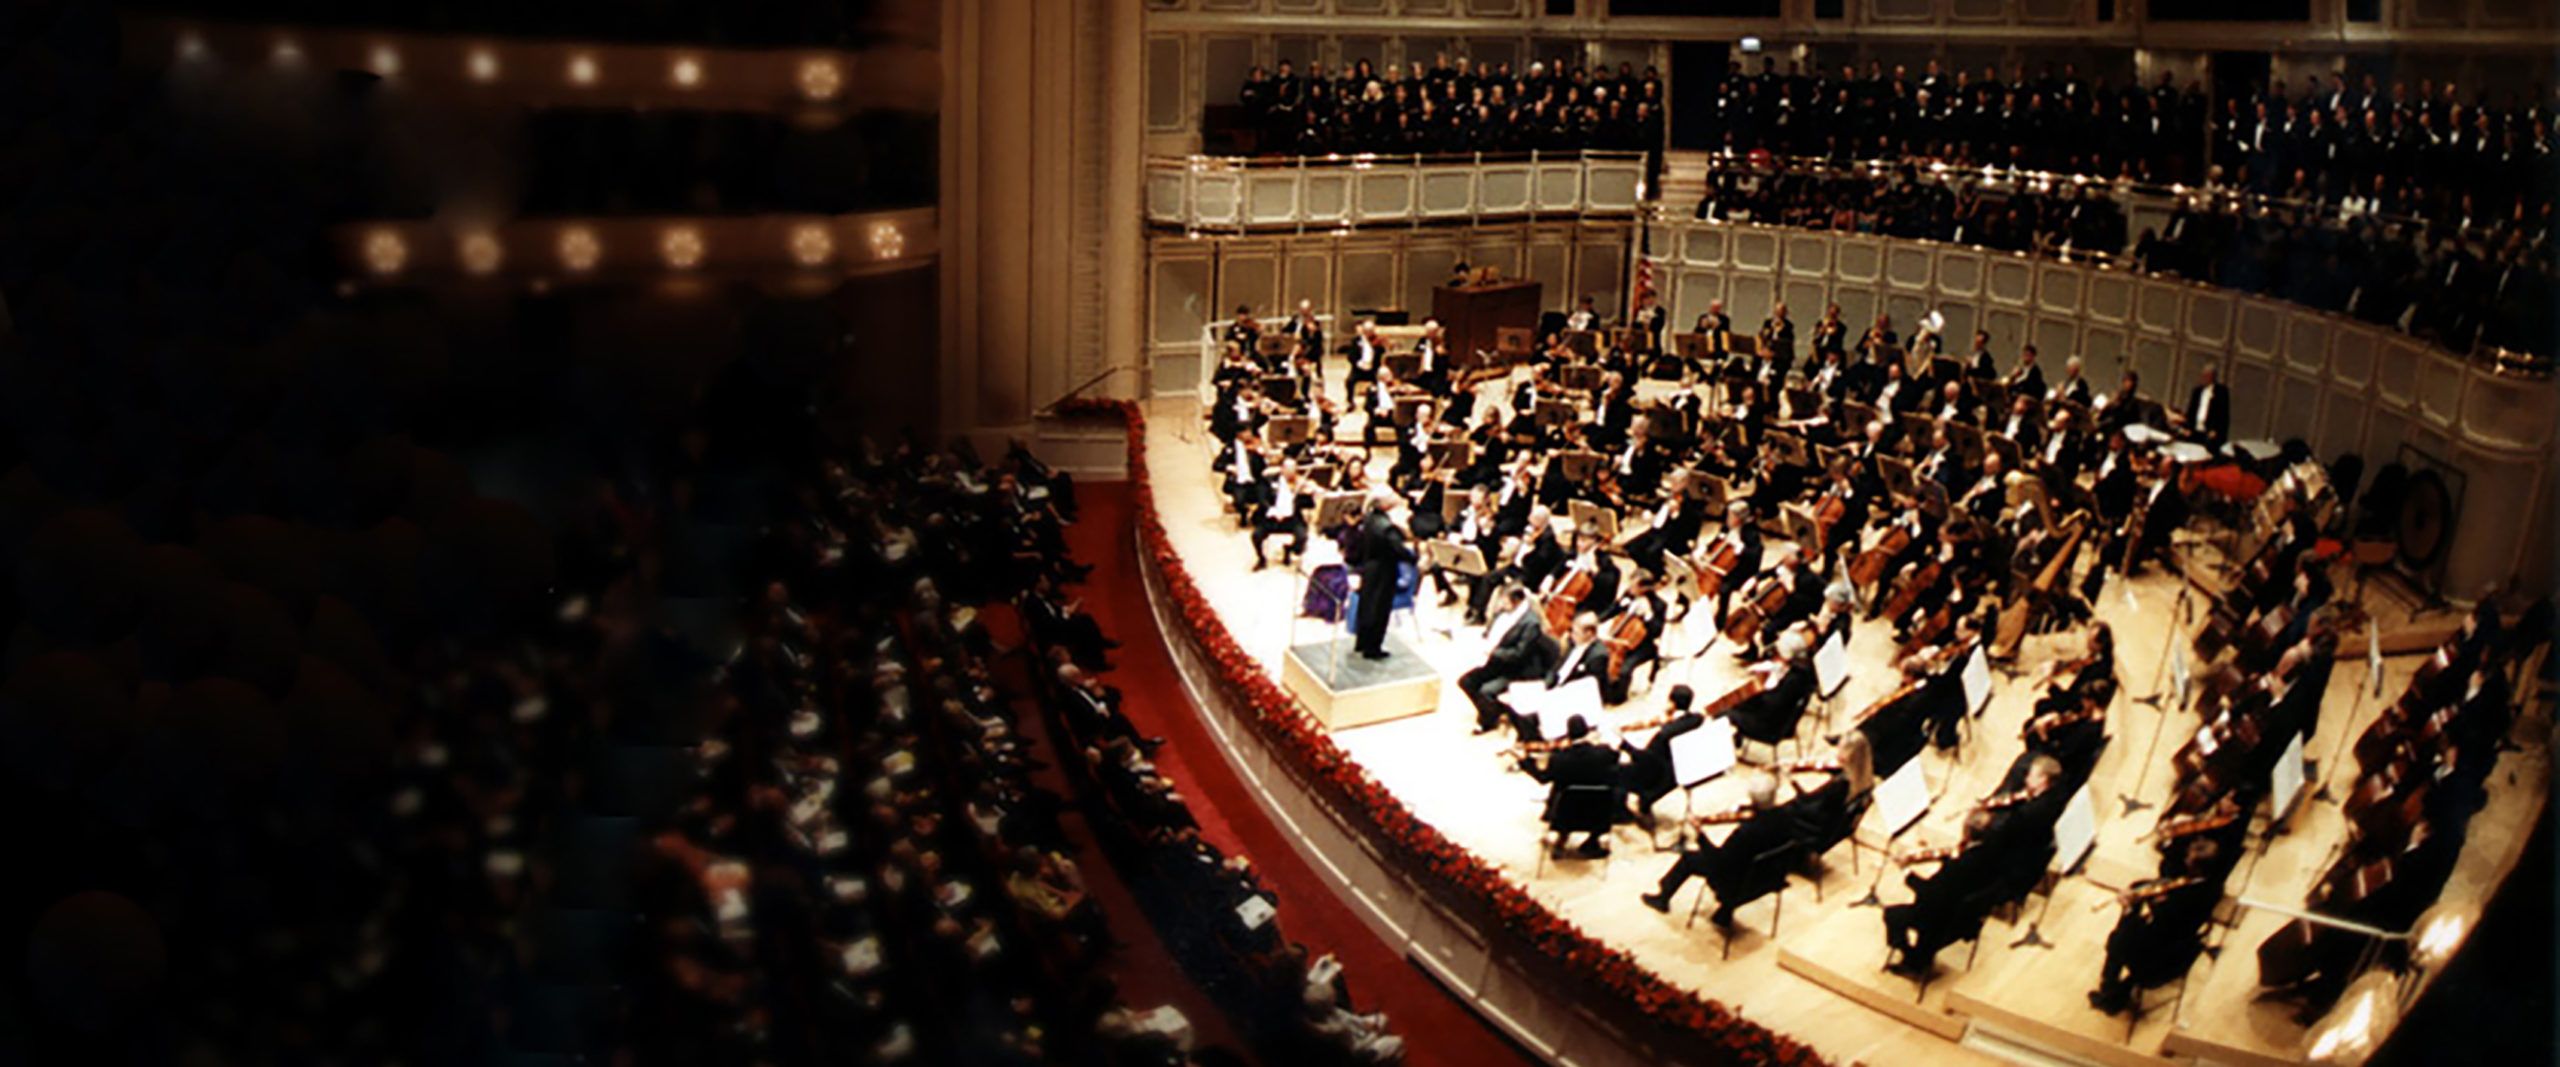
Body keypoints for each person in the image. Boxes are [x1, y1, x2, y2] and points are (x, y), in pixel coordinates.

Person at [2088, 837, 2224, 1014]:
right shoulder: (2214, 884)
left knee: (2117, 942)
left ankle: (2110, 993)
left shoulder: (2189, 898)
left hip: (2167, 946)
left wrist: (2130, 910)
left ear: (2197, 868)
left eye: (2188, 861)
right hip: (2180, 931)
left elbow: (2163, 923)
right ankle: (2116, 987)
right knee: (2136, 898)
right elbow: (2168, 870)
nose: (2185, 861)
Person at [1461, 588, 1561, 734]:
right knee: (1466, 681)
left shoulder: (1531, 623)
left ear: (1516, 602)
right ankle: (1492, 711)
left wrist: (1494, 652)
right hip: (1498, 661)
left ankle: (1488, 719)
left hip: (1518, 670)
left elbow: (1520, 654)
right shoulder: (1503, 614)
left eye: (1505, 600)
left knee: (1486, 691)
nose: (1501, 603)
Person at [1522, 715, 1622, 858]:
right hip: (1598, 815)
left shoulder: (1559, 759)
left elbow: (1542, 778)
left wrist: (1525, 761)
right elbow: (1616, 755)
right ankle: (1592, 842)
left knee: (1562, 793)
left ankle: (1560, 838)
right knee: (1604, 790)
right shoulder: (1604, 753)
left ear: (1568, 735)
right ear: (1587, 731)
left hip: (1564, 816)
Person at [1349, 490, 1413, 660]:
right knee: (1379, 609)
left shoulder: (1369, 518)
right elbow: (1398, 549)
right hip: (1384, 570)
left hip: (1369, 567)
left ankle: (1361, 643)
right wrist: (1414, 558)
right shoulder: (1387, 527)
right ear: (1383, 504)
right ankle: (1373, 648)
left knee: (1367, 605)